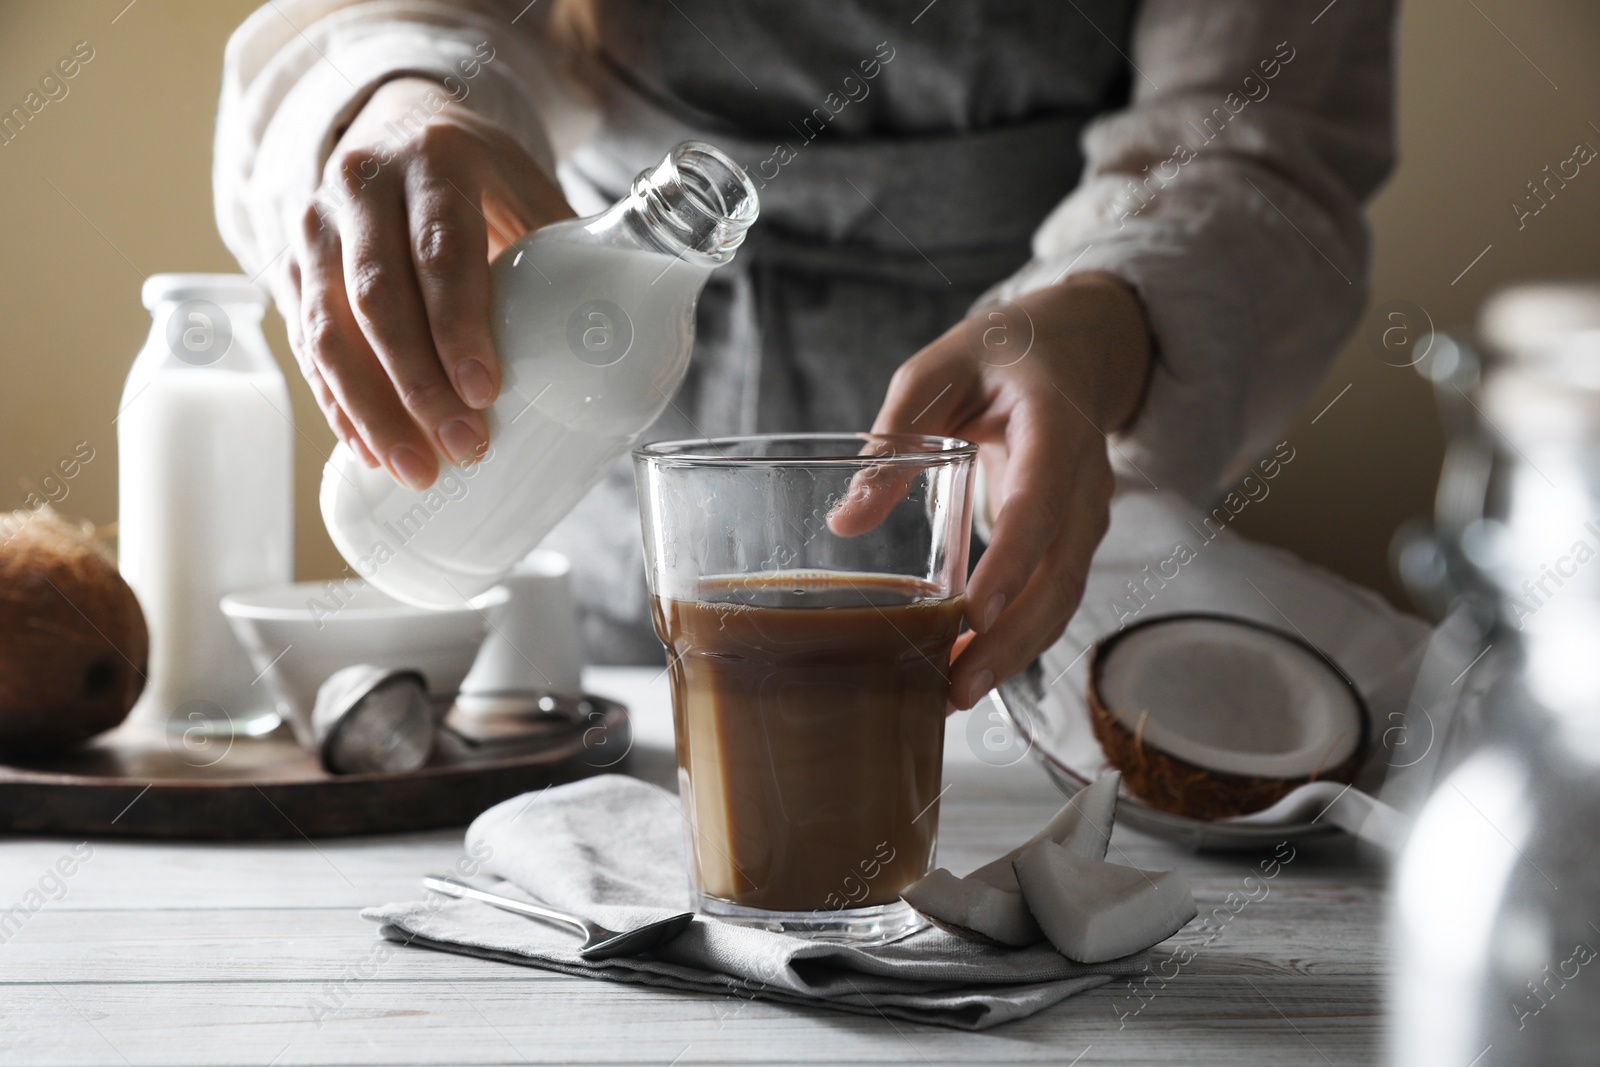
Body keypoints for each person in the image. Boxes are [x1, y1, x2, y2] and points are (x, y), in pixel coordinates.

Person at [215, 0, 1395, 710]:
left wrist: (1102, 321)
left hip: (1033, 508)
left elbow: (1261, 123)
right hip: (602, 563)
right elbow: (383, 16)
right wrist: (394, 105)